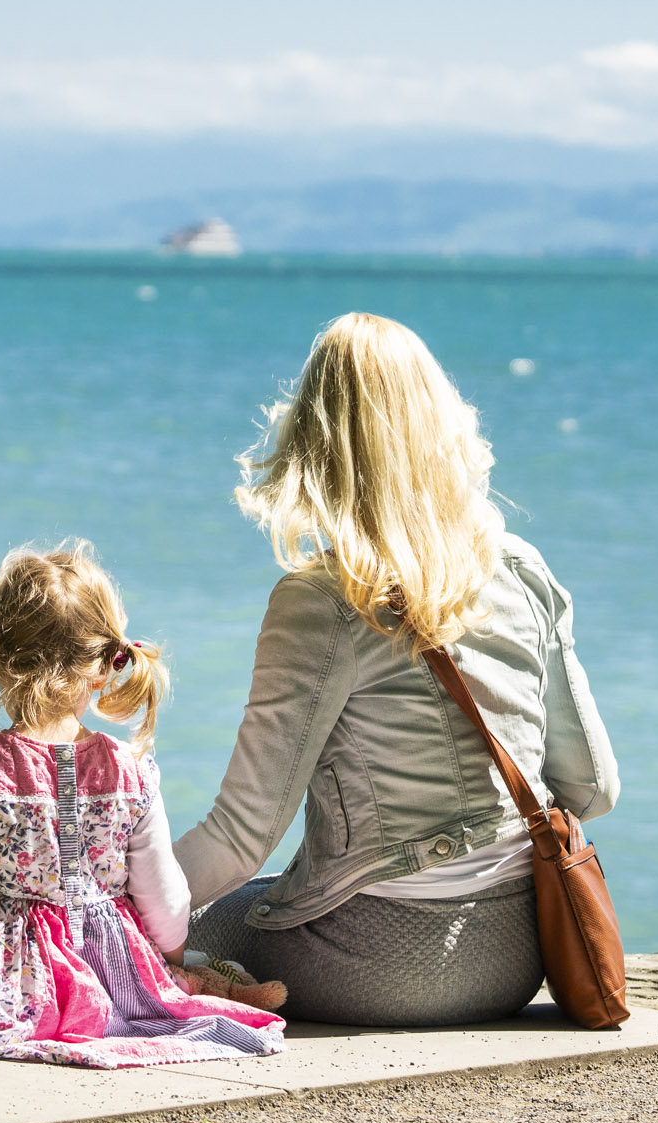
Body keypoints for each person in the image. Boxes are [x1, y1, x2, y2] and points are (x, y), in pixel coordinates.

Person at [175, 312, 621, 1027]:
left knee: (179, 923)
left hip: (376, 965)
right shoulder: (523, 571)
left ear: (313, 442)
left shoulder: (324, 599)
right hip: (519, 956)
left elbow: (240, 835)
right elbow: (593, 789)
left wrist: (101, 903)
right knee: (243, 897)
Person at [0, 541, 286, 1068]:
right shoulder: (132, 771)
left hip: (5, 988)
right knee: (190, 969)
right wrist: (163, 973)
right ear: (105, 665)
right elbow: (166, 906)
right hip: (115, 981)